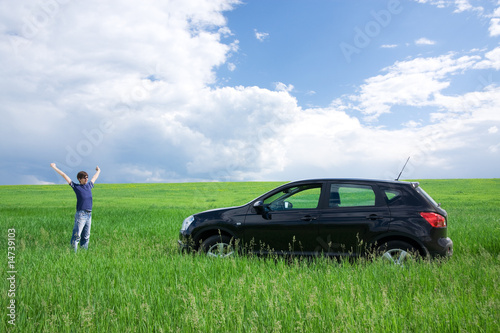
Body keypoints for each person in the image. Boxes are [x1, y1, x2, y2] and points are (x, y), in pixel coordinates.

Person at [50, 163, 101, 252]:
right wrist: (54, 167)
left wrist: (98, 170)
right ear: (79, 179)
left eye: (87, 177)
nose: (86, 178)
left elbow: (94, 177)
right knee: (77, 236)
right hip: (81, 214)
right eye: (84, 177)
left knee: (86, 236)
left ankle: (84, 254)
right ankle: (73, 255)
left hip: (89, 214)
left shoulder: (89, 186)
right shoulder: (76, 187)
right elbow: (64, 175)